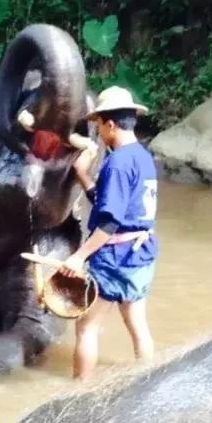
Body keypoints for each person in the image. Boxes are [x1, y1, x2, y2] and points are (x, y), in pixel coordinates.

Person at [60, 86, 158, 380]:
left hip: (115, 257)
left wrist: (78, 257)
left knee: (86, 326)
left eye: (99, 126)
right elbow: (113, 205)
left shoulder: (117, 163)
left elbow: (109, 223)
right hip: (141, 253)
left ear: (110, 124)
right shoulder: (142, 156)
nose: (99, 133)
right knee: (137, 325)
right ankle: (149, 380)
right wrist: (83, 176)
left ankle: (80, 393)